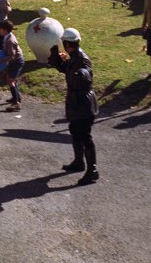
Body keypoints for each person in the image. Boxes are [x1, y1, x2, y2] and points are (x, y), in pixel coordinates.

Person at [48, 28, 99, 186]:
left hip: (83, 102)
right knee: (75, 131)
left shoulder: (81, 59)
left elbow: (86, 72)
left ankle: (93, 170)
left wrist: (81, 74)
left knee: (85, 136)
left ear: (68, 43)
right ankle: (79, 162)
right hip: (76, 101)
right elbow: (64, 69)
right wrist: (56, 57)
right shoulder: (74, 57)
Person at [0, 20, 25, 112]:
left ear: (5, 30)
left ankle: (16, 103)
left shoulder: (10, 40)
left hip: (16, 61)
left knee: (10, 80)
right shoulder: (7, 36)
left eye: (0, 28)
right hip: (15, 61)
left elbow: (12, 56)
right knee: (10, 79)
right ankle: (16, 97)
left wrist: (0, 60)